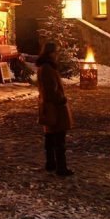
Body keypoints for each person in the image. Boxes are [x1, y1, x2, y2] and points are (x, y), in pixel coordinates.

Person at [36, 42, 74, 176]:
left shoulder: (45, 67)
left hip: (49, 106)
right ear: (51, 53)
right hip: (54, 107)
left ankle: (51, 163)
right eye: (55, 52)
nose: (57, 55)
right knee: (58, 139)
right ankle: (61, 168)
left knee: (51, 137)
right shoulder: (47, 68)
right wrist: (61, 99)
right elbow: (50, 90)